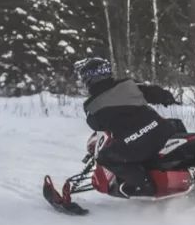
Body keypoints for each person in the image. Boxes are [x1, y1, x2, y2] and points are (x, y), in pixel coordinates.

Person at [74, 57, 180, 198]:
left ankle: (143, 185)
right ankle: (177, 161)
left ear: (89, 79)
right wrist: (167, 98)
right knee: (176, 123)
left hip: (137, 142)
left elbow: (97, 125)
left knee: (105, 157)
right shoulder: (129, 84)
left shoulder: (90, 105)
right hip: (162, 130)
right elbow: (156, 93)